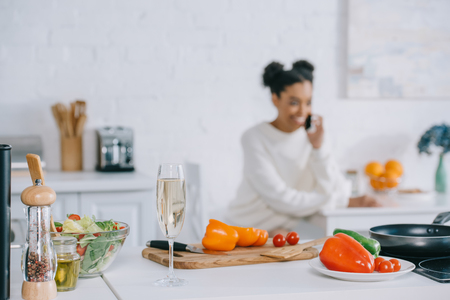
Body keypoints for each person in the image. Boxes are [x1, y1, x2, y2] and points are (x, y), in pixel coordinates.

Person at [226, 60, 380, 237]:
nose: (302, 111)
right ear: (275, 99)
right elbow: (281, 199)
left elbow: (335, 187)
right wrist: (342, 201)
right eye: (294, 102)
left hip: (284, 229)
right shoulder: (254, 137)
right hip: (243, 229)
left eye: (308, 102)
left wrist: (318, 147)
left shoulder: (314, 136)